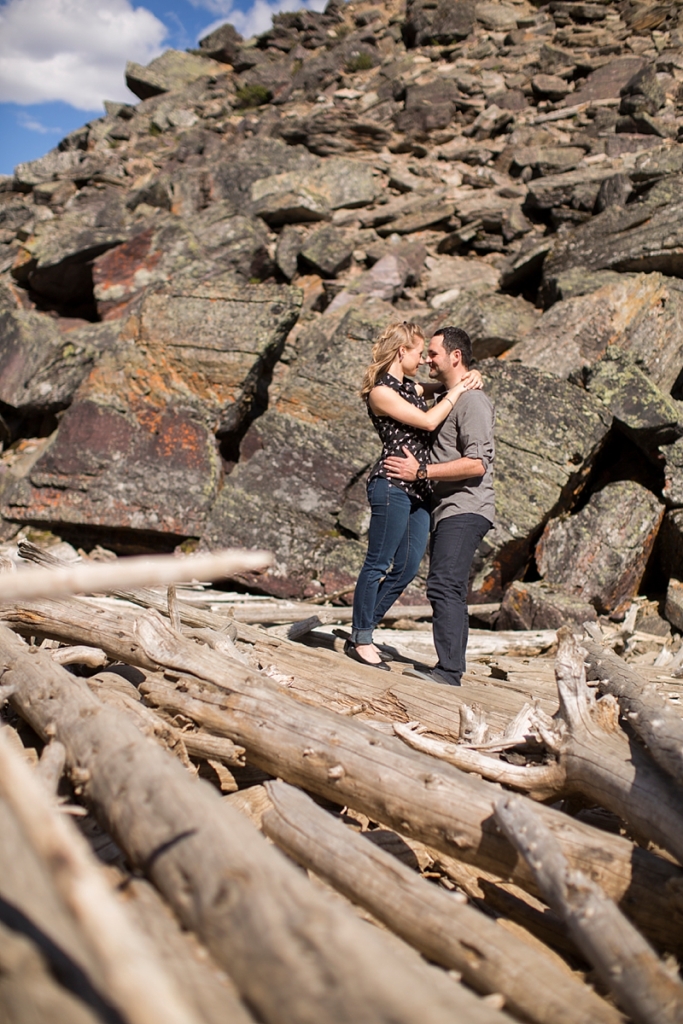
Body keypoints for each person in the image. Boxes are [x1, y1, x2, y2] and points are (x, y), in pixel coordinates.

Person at [347, 321, 482, 671]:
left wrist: (470, 376)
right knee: (377, 563)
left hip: (419, 488)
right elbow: (426, 422)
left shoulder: (411, 387)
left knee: (406, 569)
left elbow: (446, 382)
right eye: (418, 353)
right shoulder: (381, 392)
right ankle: (361, 637)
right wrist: (457, 392)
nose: (423, 359)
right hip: (392, 483)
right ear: (400, 352)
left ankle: (364, 628)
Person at [384, 326, 494, 686]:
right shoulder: (451, 395)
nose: (428, 359)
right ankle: (452, 667)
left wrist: (421, 471)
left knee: (443, 585)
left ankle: (448, 672)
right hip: (447, 508)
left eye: (433, 354)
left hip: (465, 506)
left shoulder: (473, 402)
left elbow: (477, 463)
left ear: (455, 356)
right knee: (450, 587)